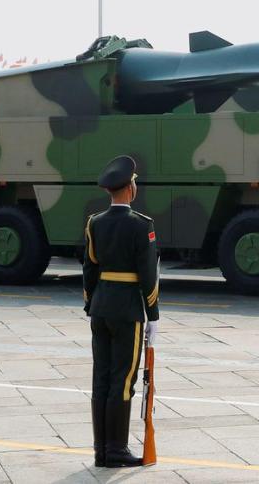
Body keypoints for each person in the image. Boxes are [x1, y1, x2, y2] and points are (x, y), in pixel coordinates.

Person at [84, 155, 160, 468]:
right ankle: (116, 450)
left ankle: (101, 450)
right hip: (128, 310)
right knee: (124, 380)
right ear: (129, 188)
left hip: (100, 308)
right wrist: (152, 313)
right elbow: (147, 274)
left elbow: (90, 268)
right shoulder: (142, 226)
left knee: (101, 378)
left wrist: (91, 303)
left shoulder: (95, 223)